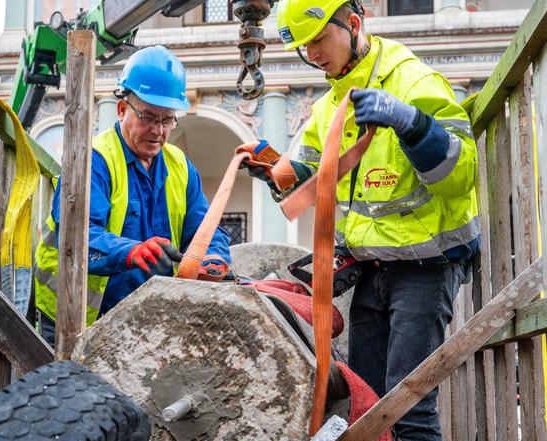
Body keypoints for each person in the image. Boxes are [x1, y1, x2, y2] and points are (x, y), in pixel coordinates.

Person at [243, 1, 479, 439]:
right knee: (367, 404)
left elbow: (460, 175)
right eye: (301, 48)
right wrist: (275, 172)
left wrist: (412, 124)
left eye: (317, 40)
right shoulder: (331, 104)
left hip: (426, 267)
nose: (311, 55)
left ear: (353, 24)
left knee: (406, 410)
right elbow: (312, 181)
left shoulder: (414, 81)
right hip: (372, 269)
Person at [34, 45, 231, 347]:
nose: (158, 131)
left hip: (143, 322)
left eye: (167, 120)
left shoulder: (180, 167)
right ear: (122, 109)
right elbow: (77, 239)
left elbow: (205, 230)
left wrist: (214, 257)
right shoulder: (94, 160)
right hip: (74, 318)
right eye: (149, 117)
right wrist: (131, 252)